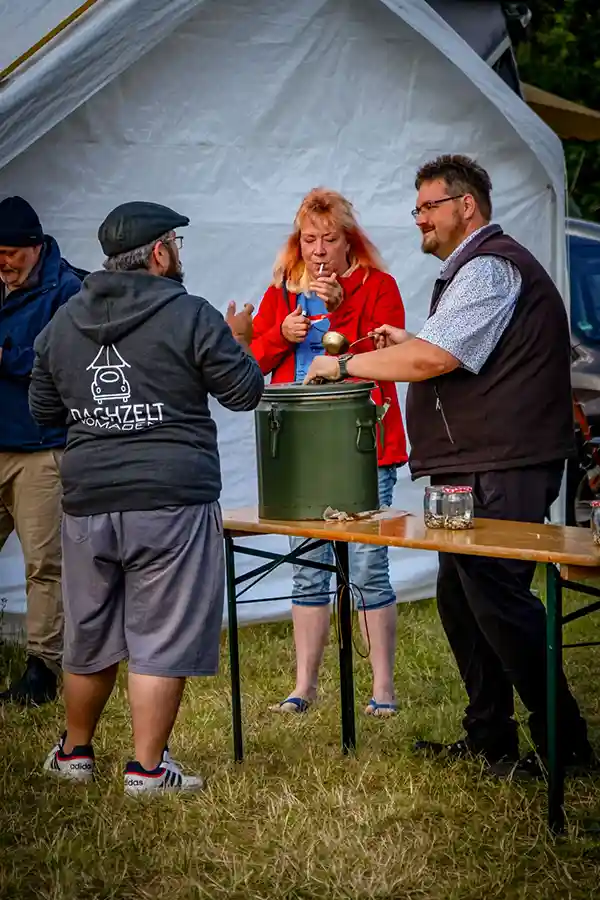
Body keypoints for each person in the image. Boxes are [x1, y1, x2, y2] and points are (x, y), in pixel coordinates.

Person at [305, 155, 595, 776]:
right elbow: (464, 356)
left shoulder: (489, 266)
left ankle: (565, 750)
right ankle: (490, 736)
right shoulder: (476, 268)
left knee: (498, 599)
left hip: (504, 463)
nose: (419, 221)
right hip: (478, 464)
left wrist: (346, 366)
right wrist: (410, 342)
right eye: (417, 209)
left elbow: (436, 362)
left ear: (467, 206)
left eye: (429, 207)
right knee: (461, 598)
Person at [29, 201, 263, 795]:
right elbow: (243, 393)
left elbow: (42, 412)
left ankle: (74, 753)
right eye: (176, 244)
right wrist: (239, 341)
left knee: (89, 632)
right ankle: (147, 770)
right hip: (171, 500)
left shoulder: (60, 323)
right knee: (159, 635)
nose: (178, 254)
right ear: (160, 252)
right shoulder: (190, 315)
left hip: (88, 501)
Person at [250, 187, 408, 717]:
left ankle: (382, 689)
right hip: (300, 444)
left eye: (329, 239)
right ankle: (304, 687)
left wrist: (339, 316)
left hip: (364, 443)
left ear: (350, 241)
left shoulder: (378, 286)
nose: (318, 250)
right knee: (307, 565)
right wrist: (281, 332)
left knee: (367, 565)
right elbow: (253, 361)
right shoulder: (283, 291)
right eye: (309, 239)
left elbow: (387, 355)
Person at [0, 196, 86, 705]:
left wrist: (5, 356)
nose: (3, 262)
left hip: (41, 449)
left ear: (35, 246)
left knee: (43, 564)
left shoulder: (70, 289)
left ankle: (42, 670)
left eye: (10, 252)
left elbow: (65, 362)